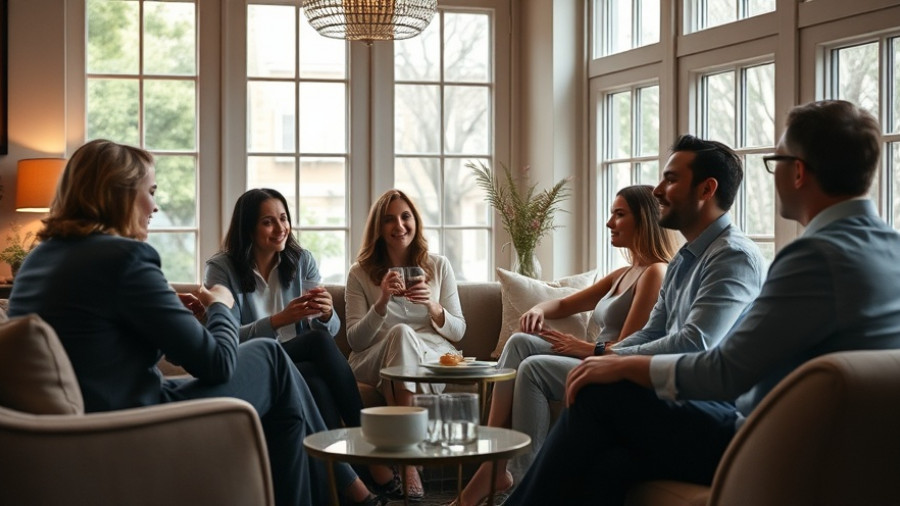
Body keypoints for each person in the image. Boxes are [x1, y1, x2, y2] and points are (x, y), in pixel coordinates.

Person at [504, 100, 900, 505]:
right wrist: (613, 359)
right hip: (839, 445)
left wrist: (618, 363)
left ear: (797, 170)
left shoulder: (812, 256)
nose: (658, 191)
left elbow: (724, 368)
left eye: (775, 160)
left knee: (601, 395)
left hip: (769, 439)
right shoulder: (890, 248)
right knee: (611, 465)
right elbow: (663, 335)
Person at [7, 140, 381, 506]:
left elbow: (106, 343)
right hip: (133, 418)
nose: (154, 206)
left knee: (292, 376)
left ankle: (348, 486)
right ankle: (349, 485)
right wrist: (220, 305)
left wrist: (173, 318)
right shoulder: (126, 258)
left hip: (87, 420)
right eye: (149, 191)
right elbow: (218, 363)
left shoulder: (38, 261)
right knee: (272, 359)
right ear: (119, 194)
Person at [454, 185, 679, 506]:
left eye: (619, 214)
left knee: (532, 368)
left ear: (643, 220)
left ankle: (522, 481)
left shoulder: (655, 272)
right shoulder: (624, 274)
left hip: (611, 368)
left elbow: (627, 349)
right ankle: (492, 456)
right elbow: (562, 305)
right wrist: (536, 310)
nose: (609, 223)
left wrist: (578, 347)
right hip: (592, 357)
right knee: (519, 342)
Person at [205, 188, 401, 498]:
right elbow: (223, 337)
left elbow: (329, 329)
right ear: (249, 229)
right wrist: (278, 320)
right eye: (268, 222)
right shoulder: (222, 268)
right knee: (318, 347)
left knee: (317, 380)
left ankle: (340, 492)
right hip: (255, 361)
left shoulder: (301, 260)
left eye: (283, 218)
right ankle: (369, 456)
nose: (281, 228)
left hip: (300, 363)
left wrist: (325, 314)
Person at [345, 189, 467, 499]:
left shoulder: (438, 265)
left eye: (405, 216)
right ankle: (410, 461)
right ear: (379, 228)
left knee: (406, 338)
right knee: (399, 333)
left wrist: (434, 307)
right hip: (375, 355)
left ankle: (401, 460)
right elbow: (355, 340)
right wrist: (382, 301)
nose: (399, 225)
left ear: (415, 221)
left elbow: (459, 331)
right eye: (389, 220)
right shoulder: (360, 273)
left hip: (428, 354)